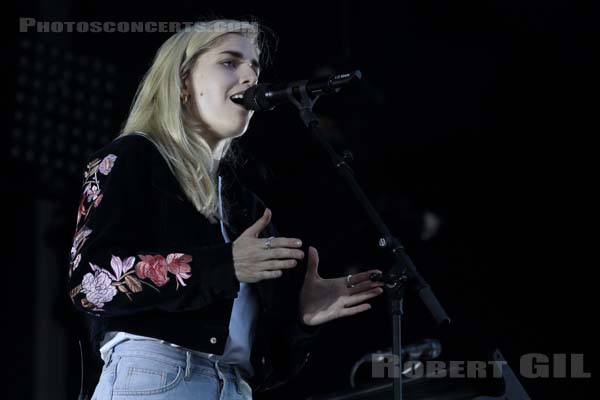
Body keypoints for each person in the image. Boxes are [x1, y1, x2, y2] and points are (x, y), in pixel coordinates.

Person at [67, 19, 384, 399]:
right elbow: (90, 284)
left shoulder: (243, 203)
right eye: (230, 62)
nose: (250, 76)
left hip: (233, 385)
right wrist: (224, 265)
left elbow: (269, 364)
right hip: (156, 376)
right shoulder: (132, 157)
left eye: (254, 67)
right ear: (183, 82)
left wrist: (301, 317)